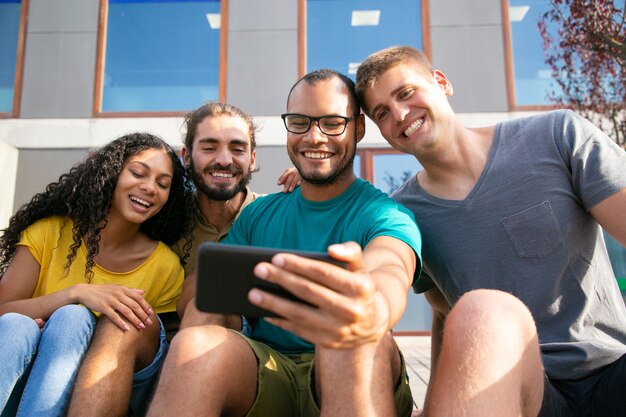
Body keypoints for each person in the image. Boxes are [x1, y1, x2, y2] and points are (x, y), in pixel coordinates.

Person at [355, 45, 626, 417]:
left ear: (441, 83)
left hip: (612, 368)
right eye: (382, 113)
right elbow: (445, 316)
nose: (400, 114)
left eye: (405, 93)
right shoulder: (405, 215)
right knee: (482, 310)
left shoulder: (556, 135)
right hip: (522, 391)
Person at [147, 69, 423, 417]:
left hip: (352, 369)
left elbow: (390, 269)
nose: (315, 136)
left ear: (359, 128)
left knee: (342, 328)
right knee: (198, 328)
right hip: (268, 371)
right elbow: (203, 291)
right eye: (300, 122)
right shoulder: (258, 214)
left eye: (333, 122)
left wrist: (371, 305)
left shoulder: (384, 215)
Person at [0, 133, 194, 417]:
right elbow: (3, 310)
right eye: (138, 173)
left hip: (97, 392)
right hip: (17, 382)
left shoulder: (164, 265)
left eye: (162, 184)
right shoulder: (48, 232)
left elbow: (156, 360)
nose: (150, 188)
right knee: (18, 325)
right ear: (111, 173)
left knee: (73, 318)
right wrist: (75, 293)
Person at [171, 101, 300, 331]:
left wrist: (312, 186)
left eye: (237, 149)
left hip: (250, 349)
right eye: (209, 148)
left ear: (252, 159)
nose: (224, 160)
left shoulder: (274, 214)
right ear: (187, 156)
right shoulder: (163, 216)